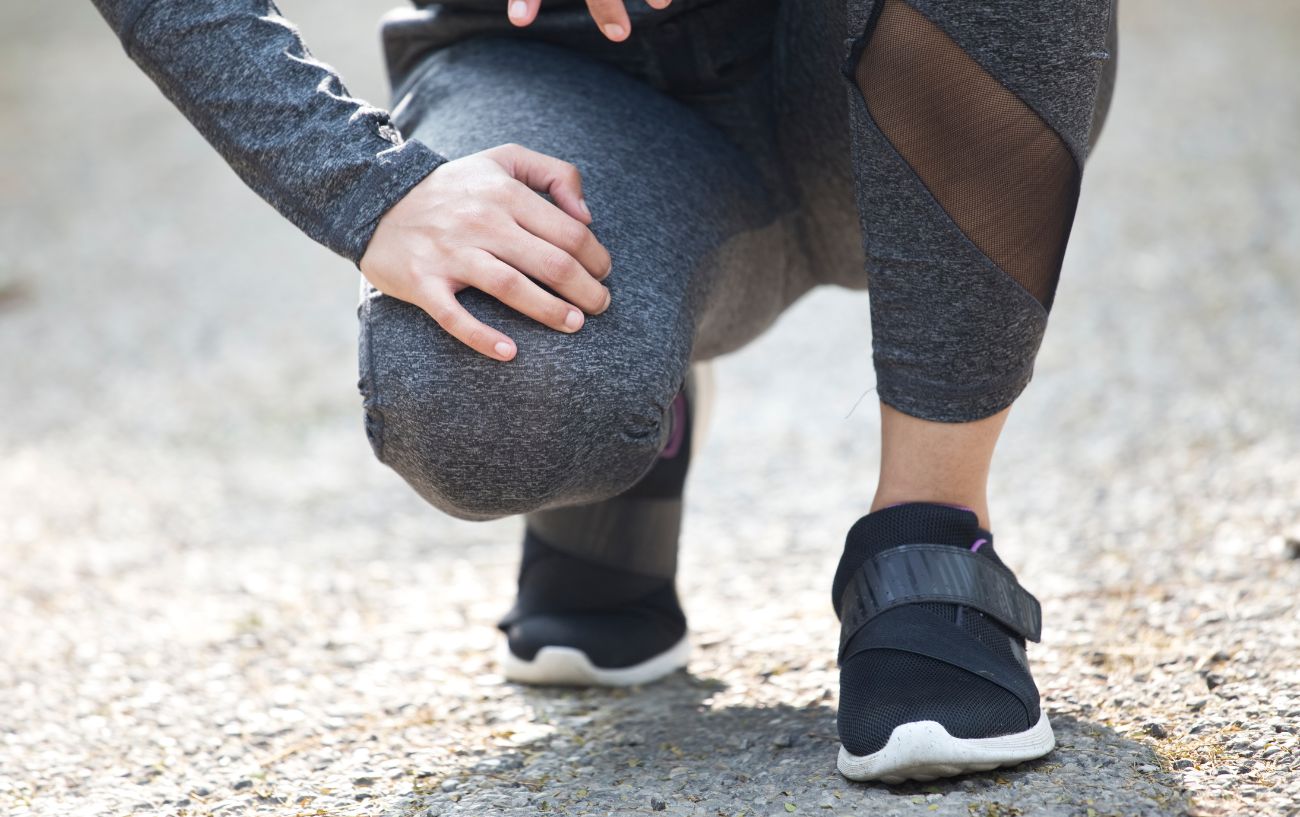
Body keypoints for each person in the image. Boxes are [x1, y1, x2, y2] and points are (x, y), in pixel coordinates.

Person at [90, 0, 1118, 784]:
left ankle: (931, 532)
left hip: (895, 67)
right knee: (481, 392)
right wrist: (365, 186)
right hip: (562, 84)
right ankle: (631, 434)